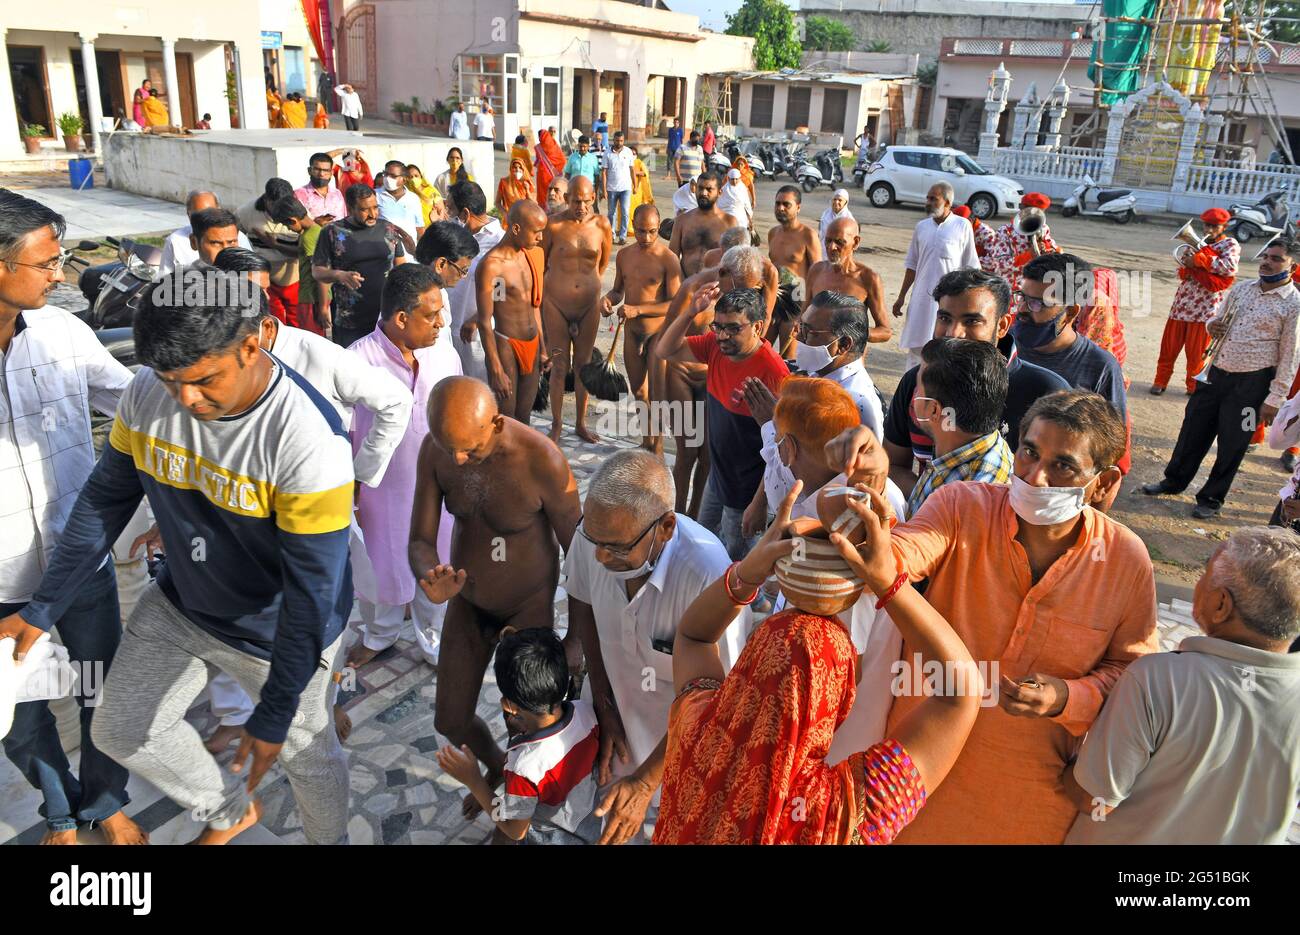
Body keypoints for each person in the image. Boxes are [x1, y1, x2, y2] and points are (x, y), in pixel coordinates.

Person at [2, 283, 355, 845]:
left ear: (251, 346)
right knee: (121, 729)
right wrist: (43, 607)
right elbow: (104, 499)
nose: (186, 400)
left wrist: (273, 710)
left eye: (203, 380)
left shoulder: (309, 441)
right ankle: (229, 811)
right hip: (181, 604)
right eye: (171, 380)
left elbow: (313, 591)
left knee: (306, 756)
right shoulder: (146, 393)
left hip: (278, 627)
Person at [828, 388, 1160, 844]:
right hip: (915, 783)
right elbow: (902, 554)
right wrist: (874, 495)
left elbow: (1135, 676)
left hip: (1027, 806)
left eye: (1062, 465)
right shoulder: (962, 505)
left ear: (1101, 485)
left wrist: (1067, 697)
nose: (1036, 477)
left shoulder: (1124, 559)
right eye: (1029, 452)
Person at [652, 477, 983, 844]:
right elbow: (962, 693)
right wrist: (889, 582)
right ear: (837, 697)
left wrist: (749, 572)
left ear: (751, 661)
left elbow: (693, 638)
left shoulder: (695, 740)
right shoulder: (840, 814)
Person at [197, 246, 411, 746]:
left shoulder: (316, 353)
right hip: (243, 510)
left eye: (258, 297)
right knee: (231, 608)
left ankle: (326, 700)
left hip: (316, 515)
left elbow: (393, 402)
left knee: (323, 614)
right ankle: (234, 713)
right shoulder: (213, 352)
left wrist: (360, 475)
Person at [0, 191, 143, 845]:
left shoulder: (63, 332)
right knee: (22, 714)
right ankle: (58, 809)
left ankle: (103, 800)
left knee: (98, 687)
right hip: (5, 583)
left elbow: (130, 398)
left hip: (79, 559)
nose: (60, 274)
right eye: (46, 262)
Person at [410, 376, 581, 818]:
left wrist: (577, 637)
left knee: (524, 723)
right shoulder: (439, 450)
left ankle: (514, 809)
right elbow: (419, 540)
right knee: (449, 719)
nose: (459, 459)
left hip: (527, 606)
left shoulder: (542, 460)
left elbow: (581, 558)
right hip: (468, 603)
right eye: (451, 449)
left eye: (469, 448)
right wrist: (430, 573)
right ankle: (497, 768)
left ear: (497, 422)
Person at [1064, 527, 1300, 844]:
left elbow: (1094, 800)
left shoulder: (1158, 679)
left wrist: (1063, 756)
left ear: (1221, 605)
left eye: (1204, 575)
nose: (1198, 583)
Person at [563, 451, 743, 844]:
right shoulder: (594, 535)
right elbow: (583, 601)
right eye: (594, 542)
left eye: (616, 548)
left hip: (683, 751)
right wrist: (604, 704)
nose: (599, 556)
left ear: (665, 527)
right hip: (617, 730)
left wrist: (646, 784)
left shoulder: (708, 574)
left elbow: (719, 703)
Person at [345, 264, 460, 672]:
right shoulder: (356, 361)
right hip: (382, 492)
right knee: (380, 564)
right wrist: (350, 491)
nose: (441, 322)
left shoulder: (443, 353)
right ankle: (381, 634)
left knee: (436, 561)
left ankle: (433, 641)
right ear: (401, 318)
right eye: (432, 315)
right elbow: (343, 431)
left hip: (436, 487)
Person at [1143, 237, 1300, 519]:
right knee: (1192, 430)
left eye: (1276, 258)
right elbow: (1216, 319)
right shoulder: (1242, 288)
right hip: (1215, 374)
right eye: (1266, 256)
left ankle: (1212, 498)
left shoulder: (1295, 305)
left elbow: (1291, 355)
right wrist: (1211, 325)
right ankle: (1174, 480)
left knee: (1234, 442)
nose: (1266, 261)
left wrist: (1275, 397)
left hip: (1254, 385)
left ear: (1293, 265)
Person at [881, 268, 1068, 491]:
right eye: (944, 318)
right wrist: (936, 503)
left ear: (1002, 326)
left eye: (972, 321)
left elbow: (1061, 491)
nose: (954, 333)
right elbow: (892, 465)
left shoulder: (1046, 393)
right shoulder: (917, 381)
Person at [656, 287, 789, 559]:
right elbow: (664, 349)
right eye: (718, 326)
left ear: (758, 327)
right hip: (718, 481)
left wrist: (760, 503)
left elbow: (785, 449)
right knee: (701, 545)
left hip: (747, 493)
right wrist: (690, 312)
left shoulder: (774, 373)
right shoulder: (715, 346)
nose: (723, 336)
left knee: (737, 565)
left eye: (733, 328)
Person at [438, 628, 600, 844]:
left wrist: (475, 781)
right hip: (593, 829)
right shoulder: (587, 713)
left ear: (509, 706)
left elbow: (515, 830)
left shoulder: (524, 767)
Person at [1014, 253, 1130, 476]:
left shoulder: (1100, 367)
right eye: (1022, 297)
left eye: (1037, 303)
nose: (1022, 309)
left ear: (1070, 312)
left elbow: (1113, 452)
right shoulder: (1004, 343)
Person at [602, 204, 683, 452]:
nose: (645, 237)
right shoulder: (625, 255)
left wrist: (639, 310)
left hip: (658, 334)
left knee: (658, 396)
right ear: (632, 228)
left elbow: (676, 305)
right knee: (638, 390)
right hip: (632, 333)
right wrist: (607, 300)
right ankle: (647, 441)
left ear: (659, 228)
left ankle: (657, 449)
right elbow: (618, 291)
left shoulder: (668, 259)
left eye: (651, 231)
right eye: (640, 231)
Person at [903, 338, 1013, 518]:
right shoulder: (957, 447)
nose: (913, 396)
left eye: (918, 389)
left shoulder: (974, 498)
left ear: (934, 410)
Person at [540, 176, 612, 442]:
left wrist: (588, 287)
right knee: (559, 366)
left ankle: (580, 423)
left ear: (593, 198)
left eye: (585, 201)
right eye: (575, 200)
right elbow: (542, 262)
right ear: (567, 198)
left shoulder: (602, 225)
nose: (580, 206)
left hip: (587, 306)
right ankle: (557, 423)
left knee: (583, 366)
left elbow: (602, 264)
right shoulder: (555, 225)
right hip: (556, 304)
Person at [1151, 207, 1239, 395]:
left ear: (1224, 226)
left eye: (1215, 226)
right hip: (1181, 305)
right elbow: (1182, 273)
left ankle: (1193, 387)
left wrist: (1199, 260)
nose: (1209, 229)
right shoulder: (1198, 244)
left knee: (1197, 353)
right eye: (1207, 225)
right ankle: (1160, 381)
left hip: (1205, 309)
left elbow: (1229, 268)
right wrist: (1188, 264)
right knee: (1168, 349)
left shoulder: (1230, 245)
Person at [892, 182, 979, 369]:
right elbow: (912, 265)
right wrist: (901, 297)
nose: (928, 202)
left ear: (947, 202)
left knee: (943, 351)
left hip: (949, 302)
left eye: (934, 199)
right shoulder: (921, 227)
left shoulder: (962, 226)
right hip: (921, 300)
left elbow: (970, 267)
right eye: (928, 198)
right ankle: (911, 393)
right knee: (916, 352)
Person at [479, 199, 549, 424]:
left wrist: (543, 348)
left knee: (524, 418)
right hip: (507, 346)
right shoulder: (493, 265)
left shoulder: (529, 255)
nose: (540, 238)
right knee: (506, 420)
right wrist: (496, 367)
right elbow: (485, 320)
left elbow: (531, 304)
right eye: (536, 232)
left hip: (533, 342)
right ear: (516, 228)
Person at [312, 182, 407, 348]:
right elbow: (317, 271)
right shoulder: (332, 231)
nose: (372, 214)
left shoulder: (387, 228)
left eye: (375, 207)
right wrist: (339, 275)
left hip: (386, 316)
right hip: (351, 321)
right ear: (350, 208)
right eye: (364, 210)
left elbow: (401, 268)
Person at [805, 216, 890, 349]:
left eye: (839, 242)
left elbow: (885, 331)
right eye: (828, 241)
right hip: (815, 356)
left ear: (855, 242)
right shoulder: (816, 271)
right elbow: (804, 316)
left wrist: (853, 332)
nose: (832, 247)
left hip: (848, 361)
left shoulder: (868, 278)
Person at [448, 181, 504, 380]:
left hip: (476, 335)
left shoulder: (498, 241)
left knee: (479, 390)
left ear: (465, 213)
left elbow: (501, 291)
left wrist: (478, 318)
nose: (448, 214)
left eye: (450, 209)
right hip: (448, 329)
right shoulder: (452, 233)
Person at [989, 192, 1059, 303]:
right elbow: (1000, 264)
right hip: (1010, 291)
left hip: (1035, 290)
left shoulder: (1044, 228)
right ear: (1022, 209)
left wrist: (1047, 250)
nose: (1036, 217)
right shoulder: (1005, 232)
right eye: (1033, 212)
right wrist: (1028, 255)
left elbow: (1057, 252)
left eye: (1040, 213)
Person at [159, 192, 252, 275]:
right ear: (194, 242)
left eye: (231, 242)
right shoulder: (175, 241)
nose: (226, 250)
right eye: (215, 243)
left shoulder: (239, 237)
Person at [668, 168, 731, 278]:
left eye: (709, 189)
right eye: (700, 188)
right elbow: (672, 259)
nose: (703, 193)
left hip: (715, 289)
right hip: (685, 285)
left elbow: (735, 262)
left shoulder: (729, 222)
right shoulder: (682, 221)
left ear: (719, 192)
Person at [768, 185, 821, 285]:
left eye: (786, 204)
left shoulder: (808, 235)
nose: (780, 208)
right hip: (775, 295)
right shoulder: (773, 233)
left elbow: (817, 274)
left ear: (798, 207)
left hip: (798, 297)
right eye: (777, 204)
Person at [376, 160, 425, 246]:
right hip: (383, 252)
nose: (387, 178)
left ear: (404, 179)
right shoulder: (374, 195)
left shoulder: (413, 198)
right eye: (386, 174)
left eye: (393, 176)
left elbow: (419, 228)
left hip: (409, 254)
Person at [601, 131, 637, 245]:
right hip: (611, 188)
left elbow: (632, 169)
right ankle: (611, 235)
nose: (619, 143)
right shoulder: (607, 153)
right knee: (611, 213)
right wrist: (604, 189)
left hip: (626, 188)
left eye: (621, 141)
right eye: (617, 140)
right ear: (613, 140)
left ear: (623, 141)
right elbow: (604, 173)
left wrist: (635, 185)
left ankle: (622, 236)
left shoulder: (628, 152)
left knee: (625, 212)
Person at [294, 152, 347, 224]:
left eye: (326, 170)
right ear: (309, 171)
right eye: (317, 169)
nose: (321, 174)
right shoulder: (298, 194)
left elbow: (344, 220)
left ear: (331, 173)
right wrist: (315, 224)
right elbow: (297, 224)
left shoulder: (337, 194)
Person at [952, 204, 997, 273]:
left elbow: (993, 262)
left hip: (982, 275)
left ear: (970, 221)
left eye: (959, 224)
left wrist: (966, 260)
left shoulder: (987, 234)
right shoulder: (958, 230)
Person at [533, 128, 565, 208]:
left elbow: (537, 162)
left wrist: (541, 165)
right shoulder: (554, 145)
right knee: (553, 191)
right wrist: (557, 170)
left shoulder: (538, 147)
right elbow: (562, 160)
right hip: (553, 175)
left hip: (542, 175)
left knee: (543, 193)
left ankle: (543, 209)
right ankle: (554, 208)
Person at [818, 189, 854, 260]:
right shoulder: (826, 214)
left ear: (845, 202)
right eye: (834, 199)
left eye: (840, 200)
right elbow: (820, 233)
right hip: (824, 251)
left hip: (840, 253)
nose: (836, 202)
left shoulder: (848, 219)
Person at [717, 167, 753, 234]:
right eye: (732, 179)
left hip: (741, 220)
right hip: (727, 220)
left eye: (737, 179)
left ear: (740, 178)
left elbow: (747, 204)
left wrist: (750, 219)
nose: (735, 181)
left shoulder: (743, 189)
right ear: (728, 179)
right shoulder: (724, 190)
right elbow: (719, 205)